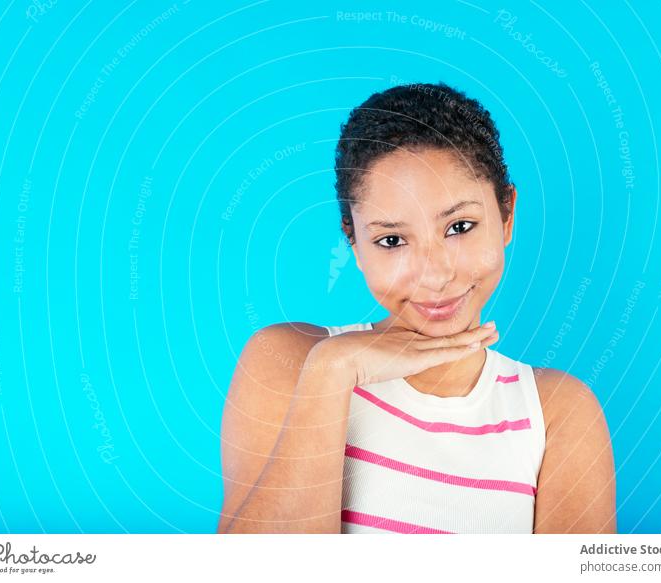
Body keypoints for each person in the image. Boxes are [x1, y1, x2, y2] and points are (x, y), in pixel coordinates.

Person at [217, 82, 616, 534]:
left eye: (460, 226)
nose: (434, 275)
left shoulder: (558, 413)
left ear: (507, 215)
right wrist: (332, 369)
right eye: (392, 240)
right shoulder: (289, 361)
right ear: (353, 239)